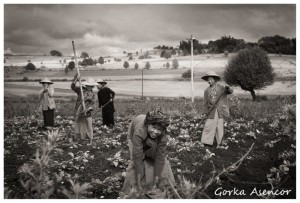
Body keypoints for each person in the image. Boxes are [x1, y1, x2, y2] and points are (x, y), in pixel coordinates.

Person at [120, 108, 175, 198]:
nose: (156, 131)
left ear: (163, 130)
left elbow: (160, 157)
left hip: (148, 136)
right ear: (148, 124)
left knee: (159, 160)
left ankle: (160, 185)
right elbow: (137, 158)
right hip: (135, 131)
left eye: (159, 129)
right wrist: (138, 181)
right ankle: (126, 193)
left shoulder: (163, 136)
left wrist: (156, 178)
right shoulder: (139, 132)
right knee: (135, 162)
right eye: (153, 127)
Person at [201, 71, 233, 148]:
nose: (209, 81)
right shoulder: (206, 90)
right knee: (208, 125)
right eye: (208, 80)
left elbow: (230, 91)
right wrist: (205, 112)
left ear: (215, 79)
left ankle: (219, 143)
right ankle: (206, 142)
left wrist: (228, 88)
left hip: (220, 110)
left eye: (211, 79)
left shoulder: (221, 87)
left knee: (219, 127)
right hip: (211, 111)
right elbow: (205, 102)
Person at [71, 73, 97, 144]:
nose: (90, 87)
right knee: (79, 124)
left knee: (89, 125)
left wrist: (88, 109)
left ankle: (91, 141)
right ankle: (80, 139)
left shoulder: (92, 95)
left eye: (91, 86)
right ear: (86, 85)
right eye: (89, 85)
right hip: (79, 110)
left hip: (88, 112)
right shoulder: (81, 90)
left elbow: (94, 104)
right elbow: (73, 87)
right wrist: (76, 79)